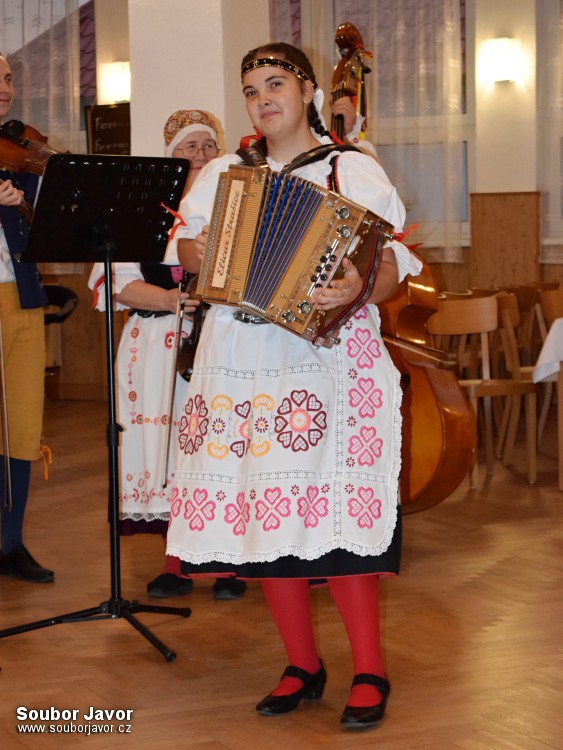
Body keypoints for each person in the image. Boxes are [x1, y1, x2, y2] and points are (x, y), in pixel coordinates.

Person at [165, 43, 422, 730]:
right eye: (251, 90)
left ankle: (369, 668)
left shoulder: (350, 168)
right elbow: (184, 250)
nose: (262, 100)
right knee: (264, 508)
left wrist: (358, 284)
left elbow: (391, 262)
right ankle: (302, 664)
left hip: (324, 359)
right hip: (242, 354)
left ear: (307, 90)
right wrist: (202, 249)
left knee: (332, 508)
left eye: (275, 84)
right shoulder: (226, 172)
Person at [88, 110, 246, 601]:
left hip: (219, 344)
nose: (200, 155)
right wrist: (171, 300)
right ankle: (176, 563)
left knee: (218, 447)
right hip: (154, 346)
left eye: (208, 145)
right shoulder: (142, 209)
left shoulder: (235, 207)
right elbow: (114, 282)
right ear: (170, 155)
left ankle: (230, 564)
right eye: (188, 147)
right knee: (165, 453)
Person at [0, 52, 53, 583]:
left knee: (20, 424)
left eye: (8, 78)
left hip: (21, 295)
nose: (4, 87)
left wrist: (26, 202)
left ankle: (10, 542)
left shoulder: (21, 153)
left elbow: (50, 229)